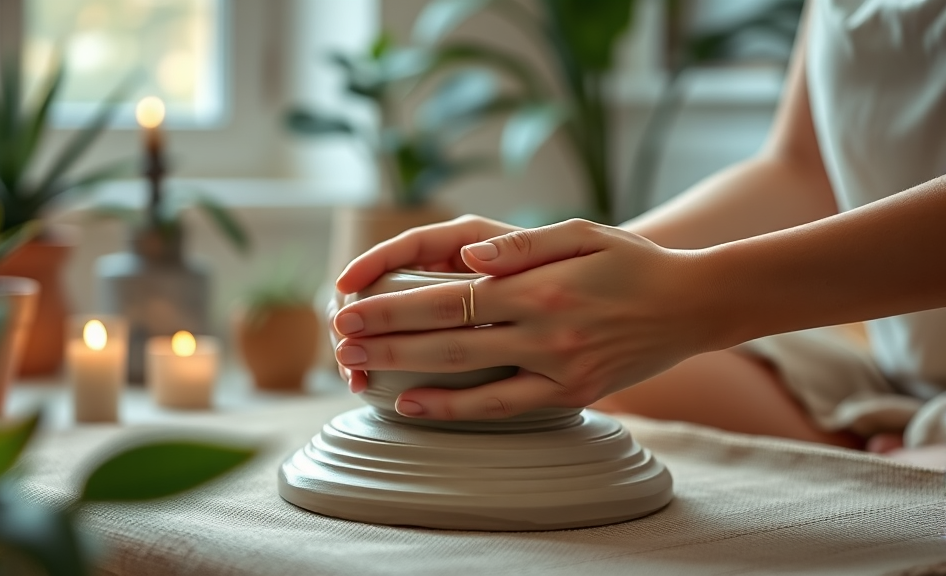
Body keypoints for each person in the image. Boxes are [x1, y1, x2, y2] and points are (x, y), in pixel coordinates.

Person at [328, 0, 946, 467]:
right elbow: (802, 172)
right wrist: (557, 276)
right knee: (541, 367)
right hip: (901, 379)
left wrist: (695, 297)